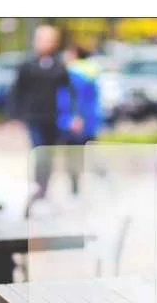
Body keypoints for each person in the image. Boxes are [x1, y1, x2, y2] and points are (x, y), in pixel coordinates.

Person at [9, 24, 81, 198]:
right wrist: (15, 115)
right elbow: (16, 91)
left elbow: (70, 91)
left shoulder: (59, 66)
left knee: (50, 154)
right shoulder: (27, 65)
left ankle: (47, 188)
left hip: (54, 119)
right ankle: (39, 190)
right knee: (40, 153)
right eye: (42, 39)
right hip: (34, 117)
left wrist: (74, 115)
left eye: (49, 40)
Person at [56, 45, 103, 195]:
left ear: (74, 54)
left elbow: (70, 100)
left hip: (75, 122)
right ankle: (103, 181)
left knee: (74, 157)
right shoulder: (92, 71)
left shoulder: (71, 74)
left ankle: (76, 189)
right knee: (89, 154)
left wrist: (70, 119)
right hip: (89, 121)